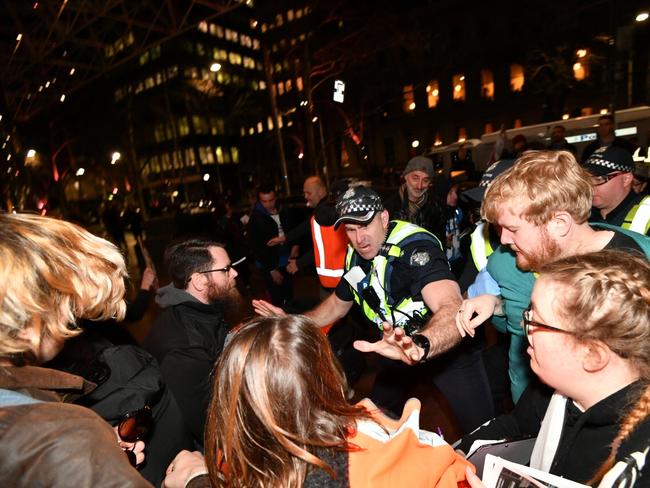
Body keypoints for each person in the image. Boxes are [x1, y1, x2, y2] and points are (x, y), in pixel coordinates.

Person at [255, 186, 494, 434]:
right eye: (351, 229)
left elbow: (450, 306)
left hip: (446, 351)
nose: (359, 238)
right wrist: (292, 321)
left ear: (384, 218)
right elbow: (337, 305)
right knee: (372, 428)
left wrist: (420, 345)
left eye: (365, 225)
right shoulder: (356, 255)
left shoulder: (415, 248)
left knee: (483, 435)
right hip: (397, 350)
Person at [162, 315, 474, 488]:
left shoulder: (235, 461)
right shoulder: (380, 442)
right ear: (329, 375)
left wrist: (199, 481)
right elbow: (457, 473)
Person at [456, 150, 650, 402]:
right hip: (535, 420)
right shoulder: (508, 262)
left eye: (513, 229)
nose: (503, 239)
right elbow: (518, 330)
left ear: (559, 223)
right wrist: (496, 305)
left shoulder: (640, 262)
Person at [460, 250, 650, 488]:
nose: (523, 324)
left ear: (592, 355)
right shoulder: (553, 387)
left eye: (535, 321)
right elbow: (518, 424)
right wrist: (458, 454)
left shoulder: (638, 467)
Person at [0, 213, 150, 487]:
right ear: (24, 314)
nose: (69, 316)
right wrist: (194, 479)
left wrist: (99, 456)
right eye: (61, 300)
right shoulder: (67, 436)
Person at [143, 239, 243, 445]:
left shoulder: (203, 307)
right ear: (198, 281)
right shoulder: (185, 348)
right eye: (226, 269)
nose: (234, 273)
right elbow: (209, 426)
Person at [247, 184, 301, 306]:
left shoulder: (284, 210)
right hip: (269, 265)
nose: (268, 204)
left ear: (276, 198)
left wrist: (296, 245)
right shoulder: (256, 218)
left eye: (271, 200)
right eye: (264, 201)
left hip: (287, 261)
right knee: (276, 301)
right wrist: (271, 269)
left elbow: (295, 230)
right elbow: (257, 248)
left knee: (290, 298)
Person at [584, 145, 650, 235]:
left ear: (626, 179)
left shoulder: (646, 211)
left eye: (599, 179)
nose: (589, 187)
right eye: (586, 179)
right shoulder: (581, 215)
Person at [384, 155, 447, 242]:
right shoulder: (389, 208)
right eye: (415, 178)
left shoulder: (437, 207)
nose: (419, 186)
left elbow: (439, 242)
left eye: (425, 180)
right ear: (405, 177)